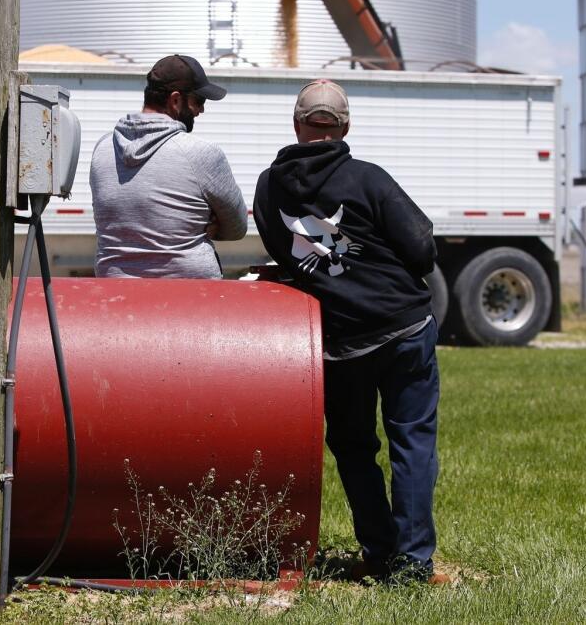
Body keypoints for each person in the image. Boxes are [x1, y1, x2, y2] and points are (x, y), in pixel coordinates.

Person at [252, 79, 447, 585]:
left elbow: (285, 254)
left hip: (338, 344)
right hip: (403, 328)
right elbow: (422, 248)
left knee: (355, 449)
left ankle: (380, 554)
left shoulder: (269, 188)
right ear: (343, 128)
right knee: (412, 444)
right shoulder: (367, 178)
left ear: (296, 126)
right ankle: (412, 564)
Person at [89, 54, 247, 278]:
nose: (201, 110)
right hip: (192, 299)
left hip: (116, 293)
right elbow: (237, 227)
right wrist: (208, 223)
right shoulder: (202, 153)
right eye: (199, 101)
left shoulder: (103, 149)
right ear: (175, 100)